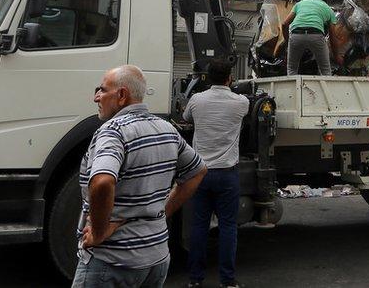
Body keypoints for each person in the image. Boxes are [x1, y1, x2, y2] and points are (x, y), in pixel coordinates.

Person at [73, 65, 206, 288]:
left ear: (122, 95)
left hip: (113, 261)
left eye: (102, 90)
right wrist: (163, 211)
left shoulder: (113, 131)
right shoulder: (166, 129)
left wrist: (98, 232)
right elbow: (197, 171)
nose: (96, 97)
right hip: (156, 259)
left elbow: (102, 181)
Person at [183, 59, 250, 288]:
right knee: (228, 227)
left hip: (200, 173)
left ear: (208, 78)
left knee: (199, 226)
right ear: (230, 78)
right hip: (227, 174)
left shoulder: (197, 100)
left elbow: (185, 118)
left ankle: (195, 279)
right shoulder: (240, 102)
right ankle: (227, 280)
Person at [276, 0, 341, 76]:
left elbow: (284, 24)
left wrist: (288, 42)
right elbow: (333, 36)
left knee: (291, 69)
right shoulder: (329, 10)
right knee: (325, 70)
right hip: (316, 35)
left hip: (296, 35)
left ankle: (294, 89)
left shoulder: (300, 3)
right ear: (327, 0)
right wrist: (337, 56)